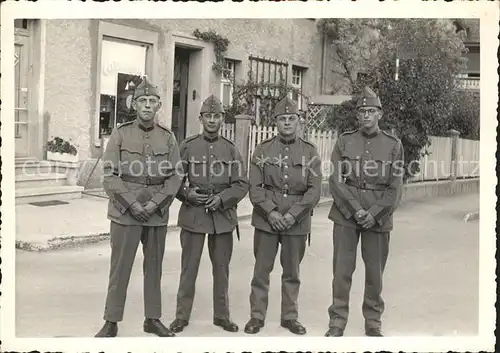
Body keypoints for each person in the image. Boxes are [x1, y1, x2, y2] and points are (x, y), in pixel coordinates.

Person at [94, 77, 182, 338]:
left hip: (156, 214)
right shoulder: (121, 134)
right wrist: (132, 204)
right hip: (125, 213)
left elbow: (176, 175)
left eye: (151, 101)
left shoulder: (168, 138)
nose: (146, 105)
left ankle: (152, 319)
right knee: (120, 268)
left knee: (154, 268)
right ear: (134, 105)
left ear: (159, 106)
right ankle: (111, 321)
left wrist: (155, 203)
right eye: (142, 101)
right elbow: (109, 175)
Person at [325, 86, 405, 337]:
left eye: (371, 111)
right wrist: (356, 210)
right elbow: (336, 181)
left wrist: (374, 214)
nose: (366, 116)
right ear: (357, 116)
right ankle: (337, 320)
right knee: (342, 271)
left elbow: (395, 187)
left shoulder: (393, 145)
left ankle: (373, 321)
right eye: (362, 112)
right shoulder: (344, 141)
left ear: (380, 114)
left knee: (374, 273)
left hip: (378, 218)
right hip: (346, 215)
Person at [169, 95, 249, 333]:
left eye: (216, 116)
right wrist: (186, 194)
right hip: (194, 212)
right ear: (201, 118)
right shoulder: (187, 146)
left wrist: (223, 199)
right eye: (208, 116)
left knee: (222, 269)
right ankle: (181, 316)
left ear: (223, 119)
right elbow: (173, 178)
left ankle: (222, 316)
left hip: (222, 216)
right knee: (189, 267)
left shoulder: (231, 149)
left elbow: (242, 183)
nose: (212, 120)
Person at [244, 97, 322, 335]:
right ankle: (256, 316)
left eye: (291, 119)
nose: (287, 123)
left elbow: (314, 190)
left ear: (299, 121)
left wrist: (294, 215)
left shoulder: (310, 151)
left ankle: (289, 316)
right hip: (267, 221)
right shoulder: (262, 150)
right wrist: (272, 212)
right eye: (282, 119)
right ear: (275, 121)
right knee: (261, 271)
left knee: (292, 273)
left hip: (296, 223)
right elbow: (255, 188)